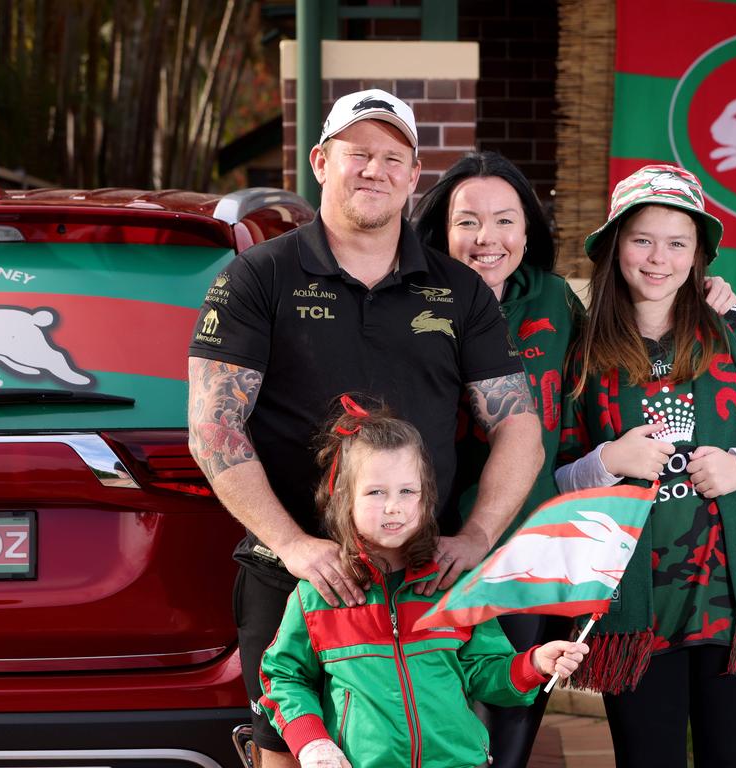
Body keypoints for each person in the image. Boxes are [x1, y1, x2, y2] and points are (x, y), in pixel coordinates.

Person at [187, 89, 543, 767]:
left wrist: (477, 536)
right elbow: (214, 427)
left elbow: (519, 427)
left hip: (414, 578)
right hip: (290, 571)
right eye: (357, 153)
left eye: (392, 157)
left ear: (413, 178)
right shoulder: (257, 277)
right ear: (322, 161)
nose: (373, 170)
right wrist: (294, 546)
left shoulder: (458, 289)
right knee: (291, 754)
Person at [410, 151, 736, 768]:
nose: (488, 238)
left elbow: (632, 331)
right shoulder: (405, 300)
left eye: (505, 220)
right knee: (414, 730)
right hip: (418, 551)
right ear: (440, 230)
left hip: (528, 553)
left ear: (529, 230)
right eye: (468, 222)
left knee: (503, 739)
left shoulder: (554, 301)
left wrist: (702, 296)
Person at [555, 164, 736, 768]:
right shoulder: (583, 346)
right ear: (615, 244)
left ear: (698, 253)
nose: (658, 258)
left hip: (733, 600)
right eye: (642, 239)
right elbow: (558, 476)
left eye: (678, 243)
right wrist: (606, 460)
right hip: (632, 602)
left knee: (734, 757)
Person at [258, 397, 589, 768]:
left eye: (407, 491)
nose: (392, 507)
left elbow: (485, 671)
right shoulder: (319, 595)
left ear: (426, 497)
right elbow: (284, 678)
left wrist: (534, 664)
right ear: (343, 499)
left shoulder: (456, 588)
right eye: (375, 492)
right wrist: (312, 743)